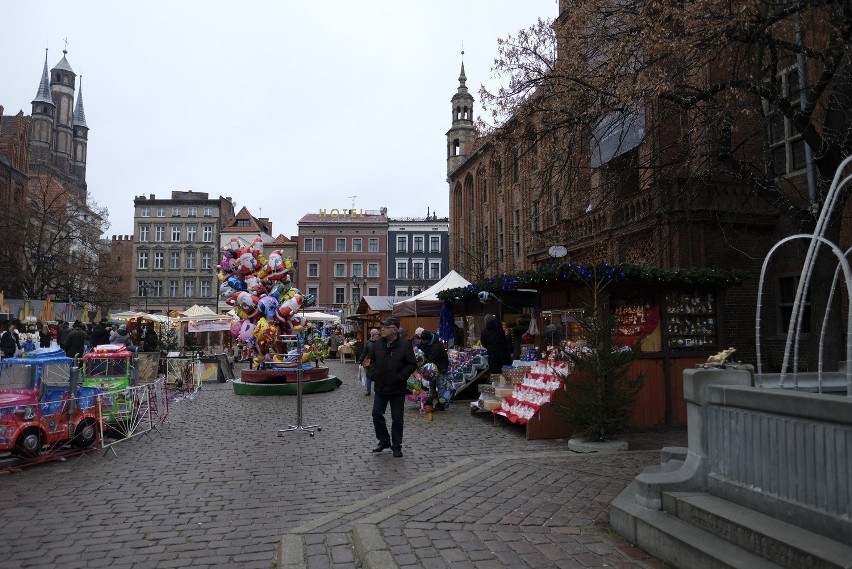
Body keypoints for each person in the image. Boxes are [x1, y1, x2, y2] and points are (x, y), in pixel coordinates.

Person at [370, 317, 417, 458]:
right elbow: (372, 361)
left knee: (397, 419)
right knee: (376, 413)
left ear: (394, 330)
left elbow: (412, 364)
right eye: (382, 327)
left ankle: (396, 446)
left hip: (397, 388)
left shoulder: (404, 345)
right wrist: (373, 374)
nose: (382, 329)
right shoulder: (378, 344)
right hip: (380, 387)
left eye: (385, 327)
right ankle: (384, 440)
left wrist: (400, 376)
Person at [419, 330, 449, 410]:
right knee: (432, 385)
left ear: (427, 340)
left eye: (423, 340)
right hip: (432, 368)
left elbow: (432, 358)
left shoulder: (437, 346)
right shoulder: (427, 343)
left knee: (440, 385)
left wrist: (423, 363)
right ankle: (430, 401)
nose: (422, 341)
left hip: (440, 367)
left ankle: (441, 403)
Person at [359, 328, 380, 396]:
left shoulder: (380, 342)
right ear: (372, 335)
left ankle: (377, 390)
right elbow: (364, 352)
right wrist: (360, 360)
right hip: (370, 362)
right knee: (369, 377)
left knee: (377, 377)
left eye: (378, 334)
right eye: (375, 334)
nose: (377, 335)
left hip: (378, 362)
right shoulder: (368, 343)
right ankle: (368, 391)